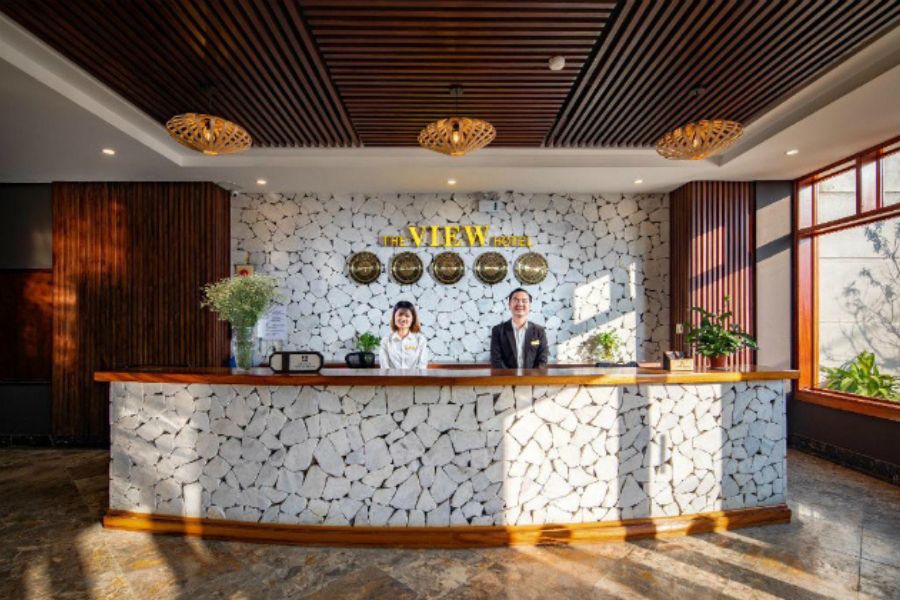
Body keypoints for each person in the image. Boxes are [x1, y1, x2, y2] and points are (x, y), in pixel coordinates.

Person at [490, 288, 549, 369]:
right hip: (506, 379)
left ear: (530, 306)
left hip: (532, 379)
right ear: (509, 305)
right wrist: (512, 379)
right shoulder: (498, 331)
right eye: (516, 300)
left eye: (524, 301)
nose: (520, 304)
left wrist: (530, 379)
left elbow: (542, 359)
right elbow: (496, 360)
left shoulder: (539, 331)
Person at [378, 300, 428, 369]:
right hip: (391, 379)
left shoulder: (420, 340)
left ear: (412, 319)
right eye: (400, 314)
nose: (403, 318)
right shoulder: (386, 341)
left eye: (407, 316)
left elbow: (422, 367)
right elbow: (384, 368)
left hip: (415, 379)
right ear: (394, 317)